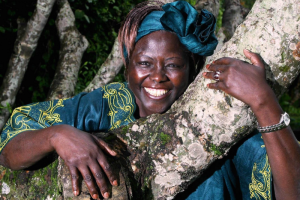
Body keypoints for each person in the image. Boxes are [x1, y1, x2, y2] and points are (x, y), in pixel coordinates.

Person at [0, 1, 299, 199]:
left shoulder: (216, 124)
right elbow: (9, 150)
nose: (157, 77)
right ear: (128, 65)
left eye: (173, 65)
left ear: (192, 69)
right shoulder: (110, 103)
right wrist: (57, 134)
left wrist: (263, 101)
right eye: (144, 63)